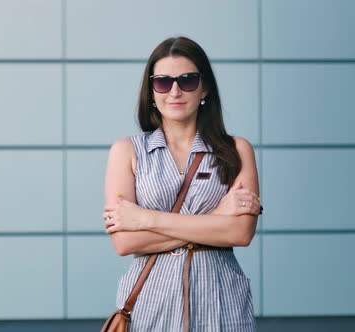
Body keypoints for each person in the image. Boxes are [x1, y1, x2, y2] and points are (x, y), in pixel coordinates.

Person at [102, 36, 261, 331]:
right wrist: (216, 220)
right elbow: (125, 242)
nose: (175, 91)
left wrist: (144, 219)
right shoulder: (126, 151)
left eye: (187, 80)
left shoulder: (237, 150)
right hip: (151, 303)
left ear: (205, 87)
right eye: (163, 82)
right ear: (151, 90)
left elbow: (240, 232)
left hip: (221, 301)